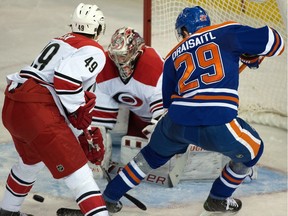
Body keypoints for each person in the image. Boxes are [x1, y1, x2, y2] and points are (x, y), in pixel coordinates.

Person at [101, 6, 285, 214]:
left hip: (176, 122)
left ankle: (109, 197)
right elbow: (275, 41)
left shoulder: (171, 56)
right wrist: (252, 55)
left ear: (185, 31)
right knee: (254, 150)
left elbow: (168, 101)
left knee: (149, 156)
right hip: (216, 121)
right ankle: (219, 197)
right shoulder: (227, 31)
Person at [0, 3, 110, 216]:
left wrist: (82, 133)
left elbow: (61, 89)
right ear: (98, 29)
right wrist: (79, 115)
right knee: (81, 177)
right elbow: (65, 80)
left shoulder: (58, 40)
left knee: (30, 162)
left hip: (14, 105)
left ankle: (8, 210)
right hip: (37, 110)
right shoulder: (94, 50)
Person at [78, 26, 165, 175]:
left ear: (136, 52)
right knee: (95, 127)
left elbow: (164, 116)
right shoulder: (104, 65)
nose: (118, 61)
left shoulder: (153, 67)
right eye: (115, 55)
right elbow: (98, 121)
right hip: (134, 117)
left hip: (155, 117)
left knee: (163, 135)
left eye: (123, 55)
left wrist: (160, 132)